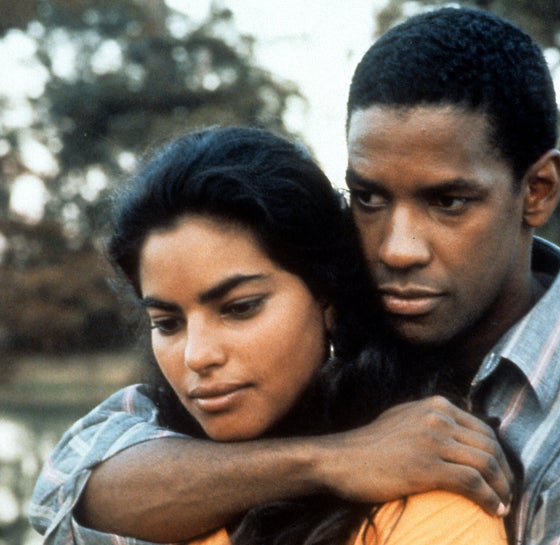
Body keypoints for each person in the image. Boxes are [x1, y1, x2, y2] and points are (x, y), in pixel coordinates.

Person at [31, 6, 560, 544]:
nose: (395, 247)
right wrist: (335, 458)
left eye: (447, 202)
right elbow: (76, 481)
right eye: (369, 197)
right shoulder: (315, 322)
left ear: (537, 190)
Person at [31, 124, 511, 545]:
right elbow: (63, 492)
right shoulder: (148, 431)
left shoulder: (428, 503)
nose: (197, 356)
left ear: (328, 299)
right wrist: (336, 460)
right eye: (167, 323)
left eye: (240, 308)